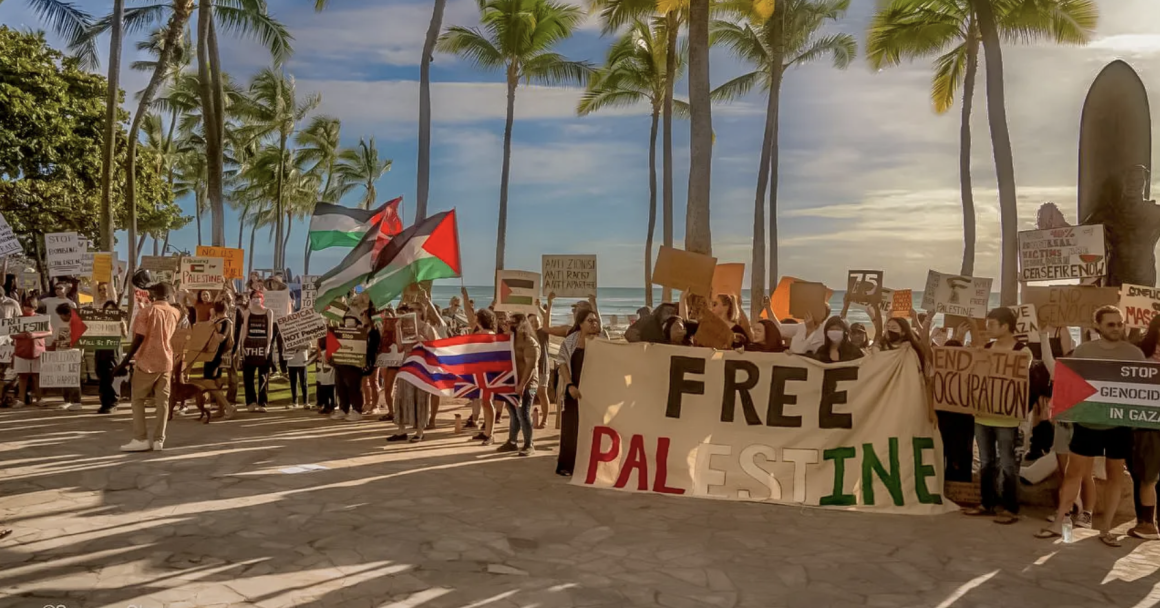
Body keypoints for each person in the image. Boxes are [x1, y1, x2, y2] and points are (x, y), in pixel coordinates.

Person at [1037, 305, 1143, 546]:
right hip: (1087, 424)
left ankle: (1105, 530)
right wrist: (1059, 410)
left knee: (1116, 476)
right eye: (1111, 324)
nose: (1117, 328)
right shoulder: (1084, 350)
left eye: (1120, 324)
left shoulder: (1134, 354)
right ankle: (1058, 524)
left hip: (1120, 425)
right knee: (1073, 474)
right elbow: (1069, 383)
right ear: (1098, 327)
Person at [961, 308, 1026, 525]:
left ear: (1005, 326)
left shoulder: (1022, 351)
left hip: (1007, 419)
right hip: (983, 415)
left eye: (991, 325)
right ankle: (986, 503)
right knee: (986, 462)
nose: (988, 328)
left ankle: (1010, 507)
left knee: (1008, 463)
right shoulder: (988, 348)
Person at [114, 282, 182, 452]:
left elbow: (138, 339)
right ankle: (159, 439)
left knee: (138, 399)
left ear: (153, 295)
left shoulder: (147, 311)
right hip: (166, 360)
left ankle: (140, 438)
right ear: (168, 296)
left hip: (147, 361)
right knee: (163, 402)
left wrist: (123, 362)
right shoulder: (175, 312)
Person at [557, 308, 601, 476]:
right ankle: (568, 466)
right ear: (581, 324)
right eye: (590, 321)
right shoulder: (570, 341)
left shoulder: (603, 341)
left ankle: (591, 464)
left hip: (595, 394)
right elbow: (562, 363)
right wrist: (569, 385)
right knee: (572, 429)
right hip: (574, 391)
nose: (594, 324)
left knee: (593, 429)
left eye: (595, 321)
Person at [387, 300, 437, 443]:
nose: (412, 311)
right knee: (401, 395)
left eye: (415, 309)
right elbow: (400, 347)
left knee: (420, 397)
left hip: (421, 365)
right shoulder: (405, 326)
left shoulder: (428, 327)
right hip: (407, 362)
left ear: (421, 311)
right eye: (410, 308)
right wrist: (397, 328)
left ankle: (420, 431)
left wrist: (424, 340)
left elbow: (434, 349)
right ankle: (401, 430)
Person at [1129, 315, 1160, 539]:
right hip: (1145, 420)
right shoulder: (1139, 351)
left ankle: (1147, 524)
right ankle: (1145, 522)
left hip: (1145, 420)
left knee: (1146, 475)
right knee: (1144, 474)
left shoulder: (1141, 351)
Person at [497, 313, 541, 456]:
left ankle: (529, 444)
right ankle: (512, 442)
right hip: (511, 383)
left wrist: (522, 384)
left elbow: (530, 366)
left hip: (527, 385)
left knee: (523, 413)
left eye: (513, 323)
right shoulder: (510, 340)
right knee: (513, 414)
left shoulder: (529, 342)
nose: (510, 325)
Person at [235, 291, 284, 413]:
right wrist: (242, 347)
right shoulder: (247, 312)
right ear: (250, 299)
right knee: (248, 376)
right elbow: (244, 330)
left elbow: (270, 331)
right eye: (254, 297)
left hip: (263, 346)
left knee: (263, 376)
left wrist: (268, 346)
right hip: (250, 345)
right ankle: (250, 402)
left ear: (262, 299)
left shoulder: (268, 312)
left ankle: (262, 402)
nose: (256, 299)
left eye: (259, 297)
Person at [13, 296, 48, 408]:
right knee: (22, 376)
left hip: (37, 350)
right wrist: (23, 335)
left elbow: (49, 332)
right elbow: (11, 333)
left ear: (35, 307)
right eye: (26, 306)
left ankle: (40, 398)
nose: (28, 309)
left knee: (36, 376)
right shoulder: (18, 318)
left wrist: (35, 335)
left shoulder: (41, 318)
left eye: (31, 307)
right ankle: (21, 399)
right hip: (21, 351)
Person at [203, 301, 235, 419]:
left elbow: (221, 338)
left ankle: (228, 407)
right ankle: (221, 409)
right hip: (213, 355)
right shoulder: (218, 321)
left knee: (208, 381)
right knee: (216, 382)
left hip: (216, 356)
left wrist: (214, 329)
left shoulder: (225, 322)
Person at [96, 301, 127, 414]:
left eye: (111, 310)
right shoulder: (99, 321)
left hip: (113, 352)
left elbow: (125, 335)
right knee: (102, 377)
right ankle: (104, 403)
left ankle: (113, 403)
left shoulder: (120, 321)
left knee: (112, 377)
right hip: (100, 351)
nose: (109, 312)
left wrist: (121, 326)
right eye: (107, 310)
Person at [51, 303, 82, 411]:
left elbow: (82, 340)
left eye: (62, 315)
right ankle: (67, 401)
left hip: (73, 354)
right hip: (61, 354)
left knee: (73, 379)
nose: (61, 317)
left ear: (68, 314)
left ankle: (76, 401)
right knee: (64, 379)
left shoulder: (77, 323)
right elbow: (54, 340)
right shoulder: (59, 325)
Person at [315, 335, 336, 414]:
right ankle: (326, 405)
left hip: (329, 367)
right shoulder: (321, 338)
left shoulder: (330, 337)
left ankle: (331, 406)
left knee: (329, 388)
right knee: (324, 387)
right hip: (323, 367)